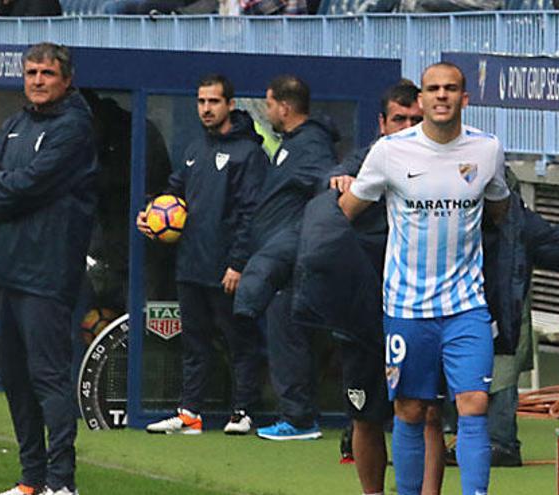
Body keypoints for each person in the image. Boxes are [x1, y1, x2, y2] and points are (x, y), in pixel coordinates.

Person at [339, 61, 510, 495]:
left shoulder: (487, 150)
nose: (441, 96)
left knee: (473, 404)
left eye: (450, 89)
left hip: (466, 306)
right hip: (407, 307)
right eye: (433, 89)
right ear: (422, 99)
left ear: (464, 98)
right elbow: (349, 209)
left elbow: (499, 207)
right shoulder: (390, 152)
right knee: (412, 409)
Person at [0, 42, 97, 495]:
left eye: (46, 73)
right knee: (15, 379)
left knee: (48, 377)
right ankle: (31, 479)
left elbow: (32, 183)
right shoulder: (18, 124)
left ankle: (62, 483)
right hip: (8, 270)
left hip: (47, 273)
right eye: (31, 72)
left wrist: (3, 189)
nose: (38, 80)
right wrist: (4, 189)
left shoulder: (75, 127)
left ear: (66, 79)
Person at [137, 74, 267, 435]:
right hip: (190, 264)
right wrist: (150, 212)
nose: (206, 109)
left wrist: (238, 263)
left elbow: (250, 214)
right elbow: (174, 190)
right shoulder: (196, 148)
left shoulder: (248, 153)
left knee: (238, 341)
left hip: (225, 268)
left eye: (213, 102)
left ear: (230, 104)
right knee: (194, 342)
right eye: (201, 102)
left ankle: (243, 411)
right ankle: (190, 413)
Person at [238, 74, 338, 441]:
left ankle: (299, 419)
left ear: (284, 105)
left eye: (268, 104)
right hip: (278, 259)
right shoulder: (291, 143)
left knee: (290, 338)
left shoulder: (311, 145)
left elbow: (325, 191)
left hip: (293, 262)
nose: (267, 111)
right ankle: (296, 414)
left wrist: (299, 246)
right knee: (284, 337)